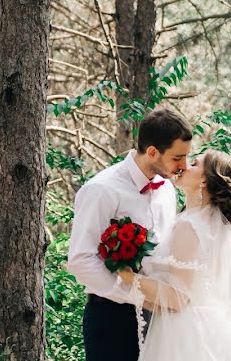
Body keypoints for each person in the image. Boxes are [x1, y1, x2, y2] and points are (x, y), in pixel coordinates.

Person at [67, 108, 193, 361]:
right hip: (112, 319)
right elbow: (80, 261)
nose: (184, 166)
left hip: (161, 318)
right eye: (178, 158)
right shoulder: (102, 189)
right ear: (152, 152)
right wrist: (137, 296)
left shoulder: (167, 189)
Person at [117, 150, 231, 361]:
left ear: (204, 181)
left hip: (185, 334)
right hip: (213, 328)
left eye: (195, 164)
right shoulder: (210, 223)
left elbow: (178, 297)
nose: (185, 165)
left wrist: (127, 277)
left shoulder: (189, 225)